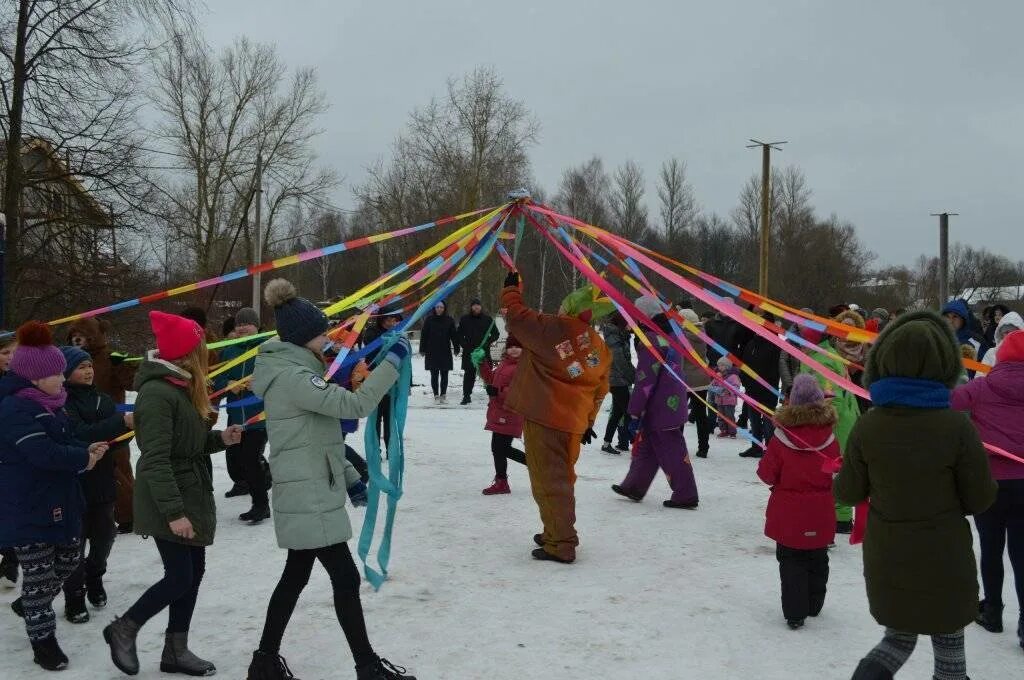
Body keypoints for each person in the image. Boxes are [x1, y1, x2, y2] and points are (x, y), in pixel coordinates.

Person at [247, 278, 416, 680]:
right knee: (343, 576)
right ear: (305, 338)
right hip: (307, 492)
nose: (328, 339)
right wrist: (393, 364)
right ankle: (367, 666)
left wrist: (351, 477)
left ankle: (265, 661)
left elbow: (317, 436)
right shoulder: (293, 377)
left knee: (297, 576)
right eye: (322, 333)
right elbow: (355, 404)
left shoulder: (298, 370)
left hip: (309, 487)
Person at [834, 310, 997, 680]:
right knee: (950, 647)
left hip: (889, 556)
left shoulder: (869, 425)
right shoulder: (958, 427)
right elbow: (980, 499)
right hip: (945, 559)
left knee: (897, 640)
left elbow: (848, 491)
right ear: (944, 363)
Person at [103, 311, 242, 677]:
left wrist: (220, 439)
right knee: (180, 576)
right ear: (187, 352)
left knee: (192, 573)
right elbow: (156, 460)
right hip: (169, 497)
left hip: (189, 491)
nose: (206, 354)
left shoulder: (182, 387)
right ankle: (125, 627)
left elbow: (188, 445)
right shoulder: (157, 394)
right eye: (201, 348)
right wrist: (174, 512)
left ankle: (175, 651)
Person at [1, 322, 108, 672]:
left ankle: (31, 604)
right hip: (27, 505)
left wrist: (84, 448)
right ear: (34, 377)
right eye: (56, 375)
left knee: (65, 563)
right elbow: (43, 453)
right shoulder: (14, 409)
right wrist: (82, 458)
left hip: (59, 501)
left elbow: (63, 443)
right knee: (38, 574)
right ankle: (43, 643)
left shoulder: (51, 404)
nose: (63, 380)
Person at [501, 274, 611, 564]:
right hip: (573, 423)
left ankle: (560, 542)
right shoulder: (597, 343)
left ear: (570, 308)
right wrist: (588, 420)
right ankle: (555, 531)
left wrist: (512, 288)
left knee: (549, 482)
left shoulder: (554, 329)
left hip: (546, 418)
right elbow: (601, 387)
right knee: (561, 479)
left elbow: (516, 317)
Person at [952, 329, 1024, 650]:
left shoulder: (982, 386)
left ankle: (992, 611)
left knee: (991, 548)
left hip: (989, 482)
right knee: (1023, 553)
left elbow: (949, 402)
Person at [757, 374, 840, 630]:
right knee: (818, 556)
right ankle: (814, 605)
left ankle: (795, 613)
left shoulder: (780, 440)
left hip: (788, 512)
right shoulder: (831, 439)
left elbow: (766, 473)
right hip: (821, 510)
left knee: (791, 560)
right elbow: (837, 470)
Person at [59, 345, 131, 624]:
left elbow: (119, 439)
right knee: (74, 543)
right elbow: (78, 434)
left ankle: (95, 576)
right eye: (81, 367)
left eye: (89, 366)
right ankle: (74, 595)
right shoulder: (62, 403)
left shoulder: (104, 400)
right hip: (75, 483)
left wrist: (124, 428)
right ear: (66, 372)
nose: (88, 371)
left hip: (103, 480)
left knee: (104, 537)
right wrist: (117, 424)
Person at [611, 296, 699, 509]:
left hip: (661, 407)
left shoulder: (651, 340)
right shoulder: (670, 335)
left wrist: (634, 410)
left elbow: (645, 380)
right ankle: (634, 485)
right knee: (648, 448)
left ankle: (686, 493)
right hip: (671, 403)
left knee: (672, 451)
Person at [66, 317, 136, 534]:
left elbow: (132, 382)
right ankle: (107, 516)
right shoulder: (69, 360)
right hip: (86, 425)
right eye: (74, 335)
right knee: (101, 474)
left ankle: (130, 515)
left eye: (84, 335)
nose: (78, 339)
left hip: (115, 422)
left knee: (121, 470)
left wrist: (122, 366)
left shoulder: (109, 358)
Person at [799, 317, 862, 534]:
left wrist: (820, 420)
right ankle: (840, 515)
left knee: (834, 466)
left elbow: (829, 396)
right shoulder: (825, 355)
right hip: (843, 416)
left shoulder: (820, 360)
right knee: (837, 466)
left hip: (836, 421)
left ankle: (841, 518)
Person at [214, 307, 272, 524]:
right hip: (235, 415)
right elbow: (216, 379)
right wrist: (228, 385)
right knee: (238, 458)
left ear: (256, 325)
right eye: (238, 325)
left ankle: (261, 505)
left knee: (249, 458)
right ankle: (264, 478)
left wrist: (258, 383)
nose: (241, 328)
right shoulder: (228, 351)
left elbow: (278, 376)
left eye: (246, 324)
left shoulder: (269, 347)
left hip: (260, 417)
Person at [479, 335, 527, 495]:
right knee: (498, 448)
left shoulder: (524, 367)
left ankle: (536, 465)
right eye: (511, 346)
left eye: (517, 347)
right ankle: (502, 482)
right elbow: (491, 379)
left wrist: (498, 392)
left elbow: (521, 392)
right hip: (498, 411)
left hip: (511, 413)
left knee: (501, 448)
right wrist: (481, 363)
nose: (513, 349)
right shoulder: (504, 364)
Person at [738, 312, 782, 459]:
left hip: (768, 389)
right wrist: (745, 380)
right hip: (751, 388)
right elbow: (744, 364)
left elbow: (776, 368)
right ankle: (756, 447)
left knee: (768, 420)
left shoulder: (775, 344)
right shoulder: (752, 343)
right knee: (754, 419)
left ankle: (769, 448)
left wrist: (770, 384)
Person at [362, 305, 404, 444]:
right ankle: (375, 450)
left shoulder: (397, 334)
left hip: (392, 381)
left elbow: (403, 361)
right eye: (388, 319)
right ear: (382, 318)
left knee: (390, 417)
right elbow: (374, 352)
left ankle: (390, 447)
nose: (391, 322)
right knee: (376, 416)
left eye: (394, 319)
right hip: (375, 379)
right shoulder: (371, 332)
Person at [0, 330, 20, 590]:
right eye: (6, 353)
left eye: (16, 353)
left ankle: (11, 557)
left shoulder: (21, 382)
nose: (11, 358)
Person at [678, 308, 711, 458]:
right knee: (700, 415)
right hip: (702, 379)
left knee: (679, 415)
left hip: (685, 379)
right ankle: (703, 447)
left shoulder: (683, 336)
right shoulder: (701, 333)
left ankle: (677, 446)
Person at [599, 312, 634, 454]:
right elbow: (619, 361)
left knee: (618, 413)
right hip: (616, 380)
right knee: (629, 412)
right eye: (627, 323)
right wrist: (634, 375)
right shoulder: (614, 337)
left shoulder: (620, 335)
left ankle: (607, 443)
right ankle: (636, 442)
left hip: (619, 379)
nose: (630, 326)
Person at [456, 298, 499, 405]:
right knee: (469, 374)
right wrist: (464, 344)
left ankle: (491, 397)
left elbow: (496, 334)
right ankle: (466, 396)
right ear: (471, 307)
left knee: (488, 375)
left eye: (478, 305)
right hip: (469, 352)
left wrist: (487, 342)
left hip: (483, 352)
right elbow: (459, 334)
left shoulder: (488, 319)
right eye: (474, 305)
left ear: (481, 307)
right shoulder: (464, 319)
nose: (476, 307)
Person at [419, 300, 458, 404]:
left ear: (444, 308)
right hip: (432, 351)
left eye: (441, 307)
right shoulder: (429, 320)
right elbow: (424, 335)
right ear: (434, 308)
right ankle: (436, 395)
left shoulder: (449, 320)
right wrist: (422, 349)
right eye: (437, 307)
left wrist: (456, 348)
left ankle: (443, 395)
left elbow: (454, 335)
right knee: (434, 374)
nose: (439, 309)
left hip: (445, 350)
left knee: (445, 373)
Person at [709, 357, 740, 438]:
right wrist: (718, 389)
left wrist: (728, 390)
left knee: (729, 416)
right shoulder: (717, 376)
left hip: (729, 401)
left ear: (727, 366)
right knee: (720, 416)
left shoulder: (733, 376)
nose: (719, 367)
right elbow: (711, 386)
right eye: (719, 365)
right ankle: (723, 431)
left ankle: (732, 432)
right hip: (719, 400)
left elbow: (736, 387)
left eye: (722, 365)